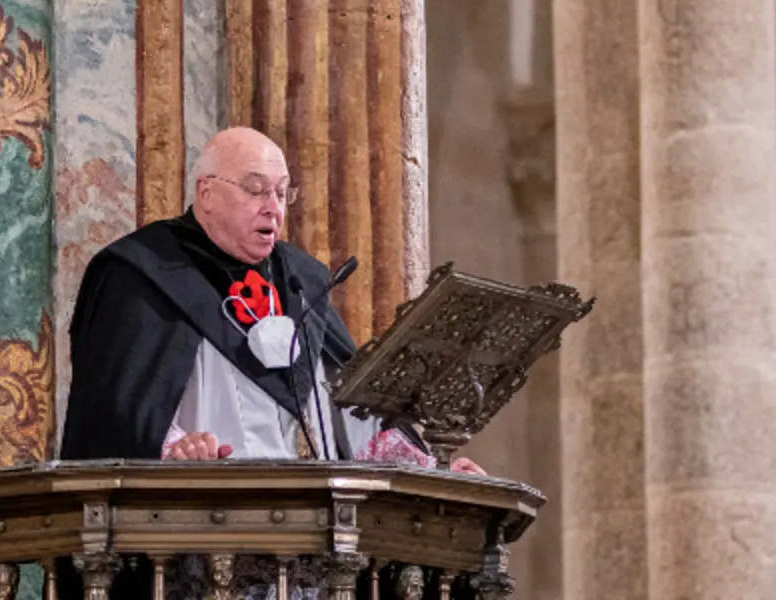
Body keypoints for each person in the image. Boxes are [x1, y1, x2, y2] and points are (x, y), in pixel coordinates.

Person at [60, 126, 484, 474]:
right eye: (256, 190)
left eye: (281, 194)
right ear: (206, 193)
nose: (273, 208)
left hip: (309, 532)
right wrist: (173, 449)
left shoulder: (302, 279)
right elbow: (115, 411)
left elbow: (350, 409)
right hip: (196, 522)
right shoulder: (141, 272)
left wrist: (433, 468)